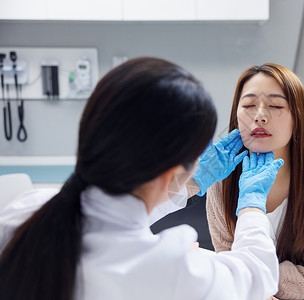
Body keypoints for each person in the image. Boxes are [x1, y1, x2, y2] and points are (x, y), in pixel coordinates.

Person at [0, 57, 284, 300]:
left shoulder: (29, 209)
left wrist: (188, 184)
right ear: (171, 171)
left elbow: (110, 219)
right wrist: (252, 204)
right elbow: (257, 276)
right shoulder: (161, 269)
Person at [205, 63, 304, 299]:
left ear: (297, 118)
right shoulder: (222, 180)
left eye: (275, 105)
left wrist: (258, 280)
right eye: (249, 105)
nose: (259, 115)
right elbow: (229, 259)